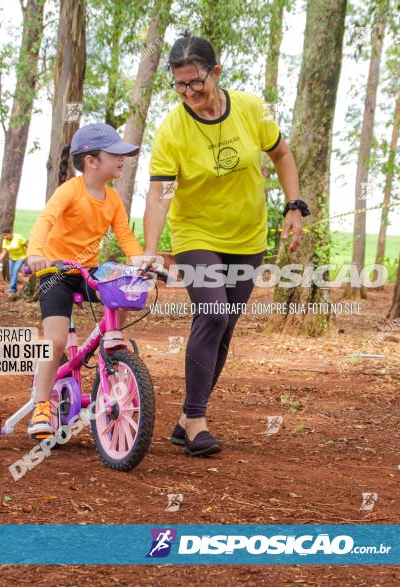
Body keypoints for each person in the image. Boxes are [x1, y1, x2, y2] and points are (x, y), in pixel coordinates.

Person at [141, 34, 306, 457]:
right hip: (196, 233)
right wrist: (151, 248)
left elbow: (282, 154)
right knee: (212, 313)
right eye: (180, 86)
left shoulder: (252, 108)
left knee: (224, 327)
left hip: (248, 237)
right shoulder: (172, 128)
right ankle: (196, 420)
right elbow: (160, 193)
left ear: (215, 72)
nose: (189, 93)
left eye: (196, 82)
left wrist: (294, 205)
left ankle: (186, 420)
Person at [25, 123, 144, 438]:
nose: (122, 159)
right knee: (57, 341)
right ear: (91, 161)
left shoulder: (114, 199)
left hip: (87, 271)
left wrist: (141, 262)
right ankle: (41, 405)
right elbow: (45, 220)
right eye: (115, 154)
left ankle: (111, 347)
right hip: (56, 273)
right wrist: (36, 252)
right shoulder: (70, 190)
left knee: (125, 290)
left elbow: (126, 236)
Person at [0, 227, 27, 294]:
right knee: (11, 273)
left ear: (11, 233)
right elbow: (3, 253)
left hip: (21, 257)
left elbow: (27, 245)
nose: (4, 237)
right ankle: (14, 289)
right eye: (4, 235)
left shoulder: (19, 238)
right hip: (12, 258)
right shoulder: (5, 241)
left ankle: (11, 289)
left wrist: (30, 256)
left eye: (6, 235)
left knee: (15, 272)